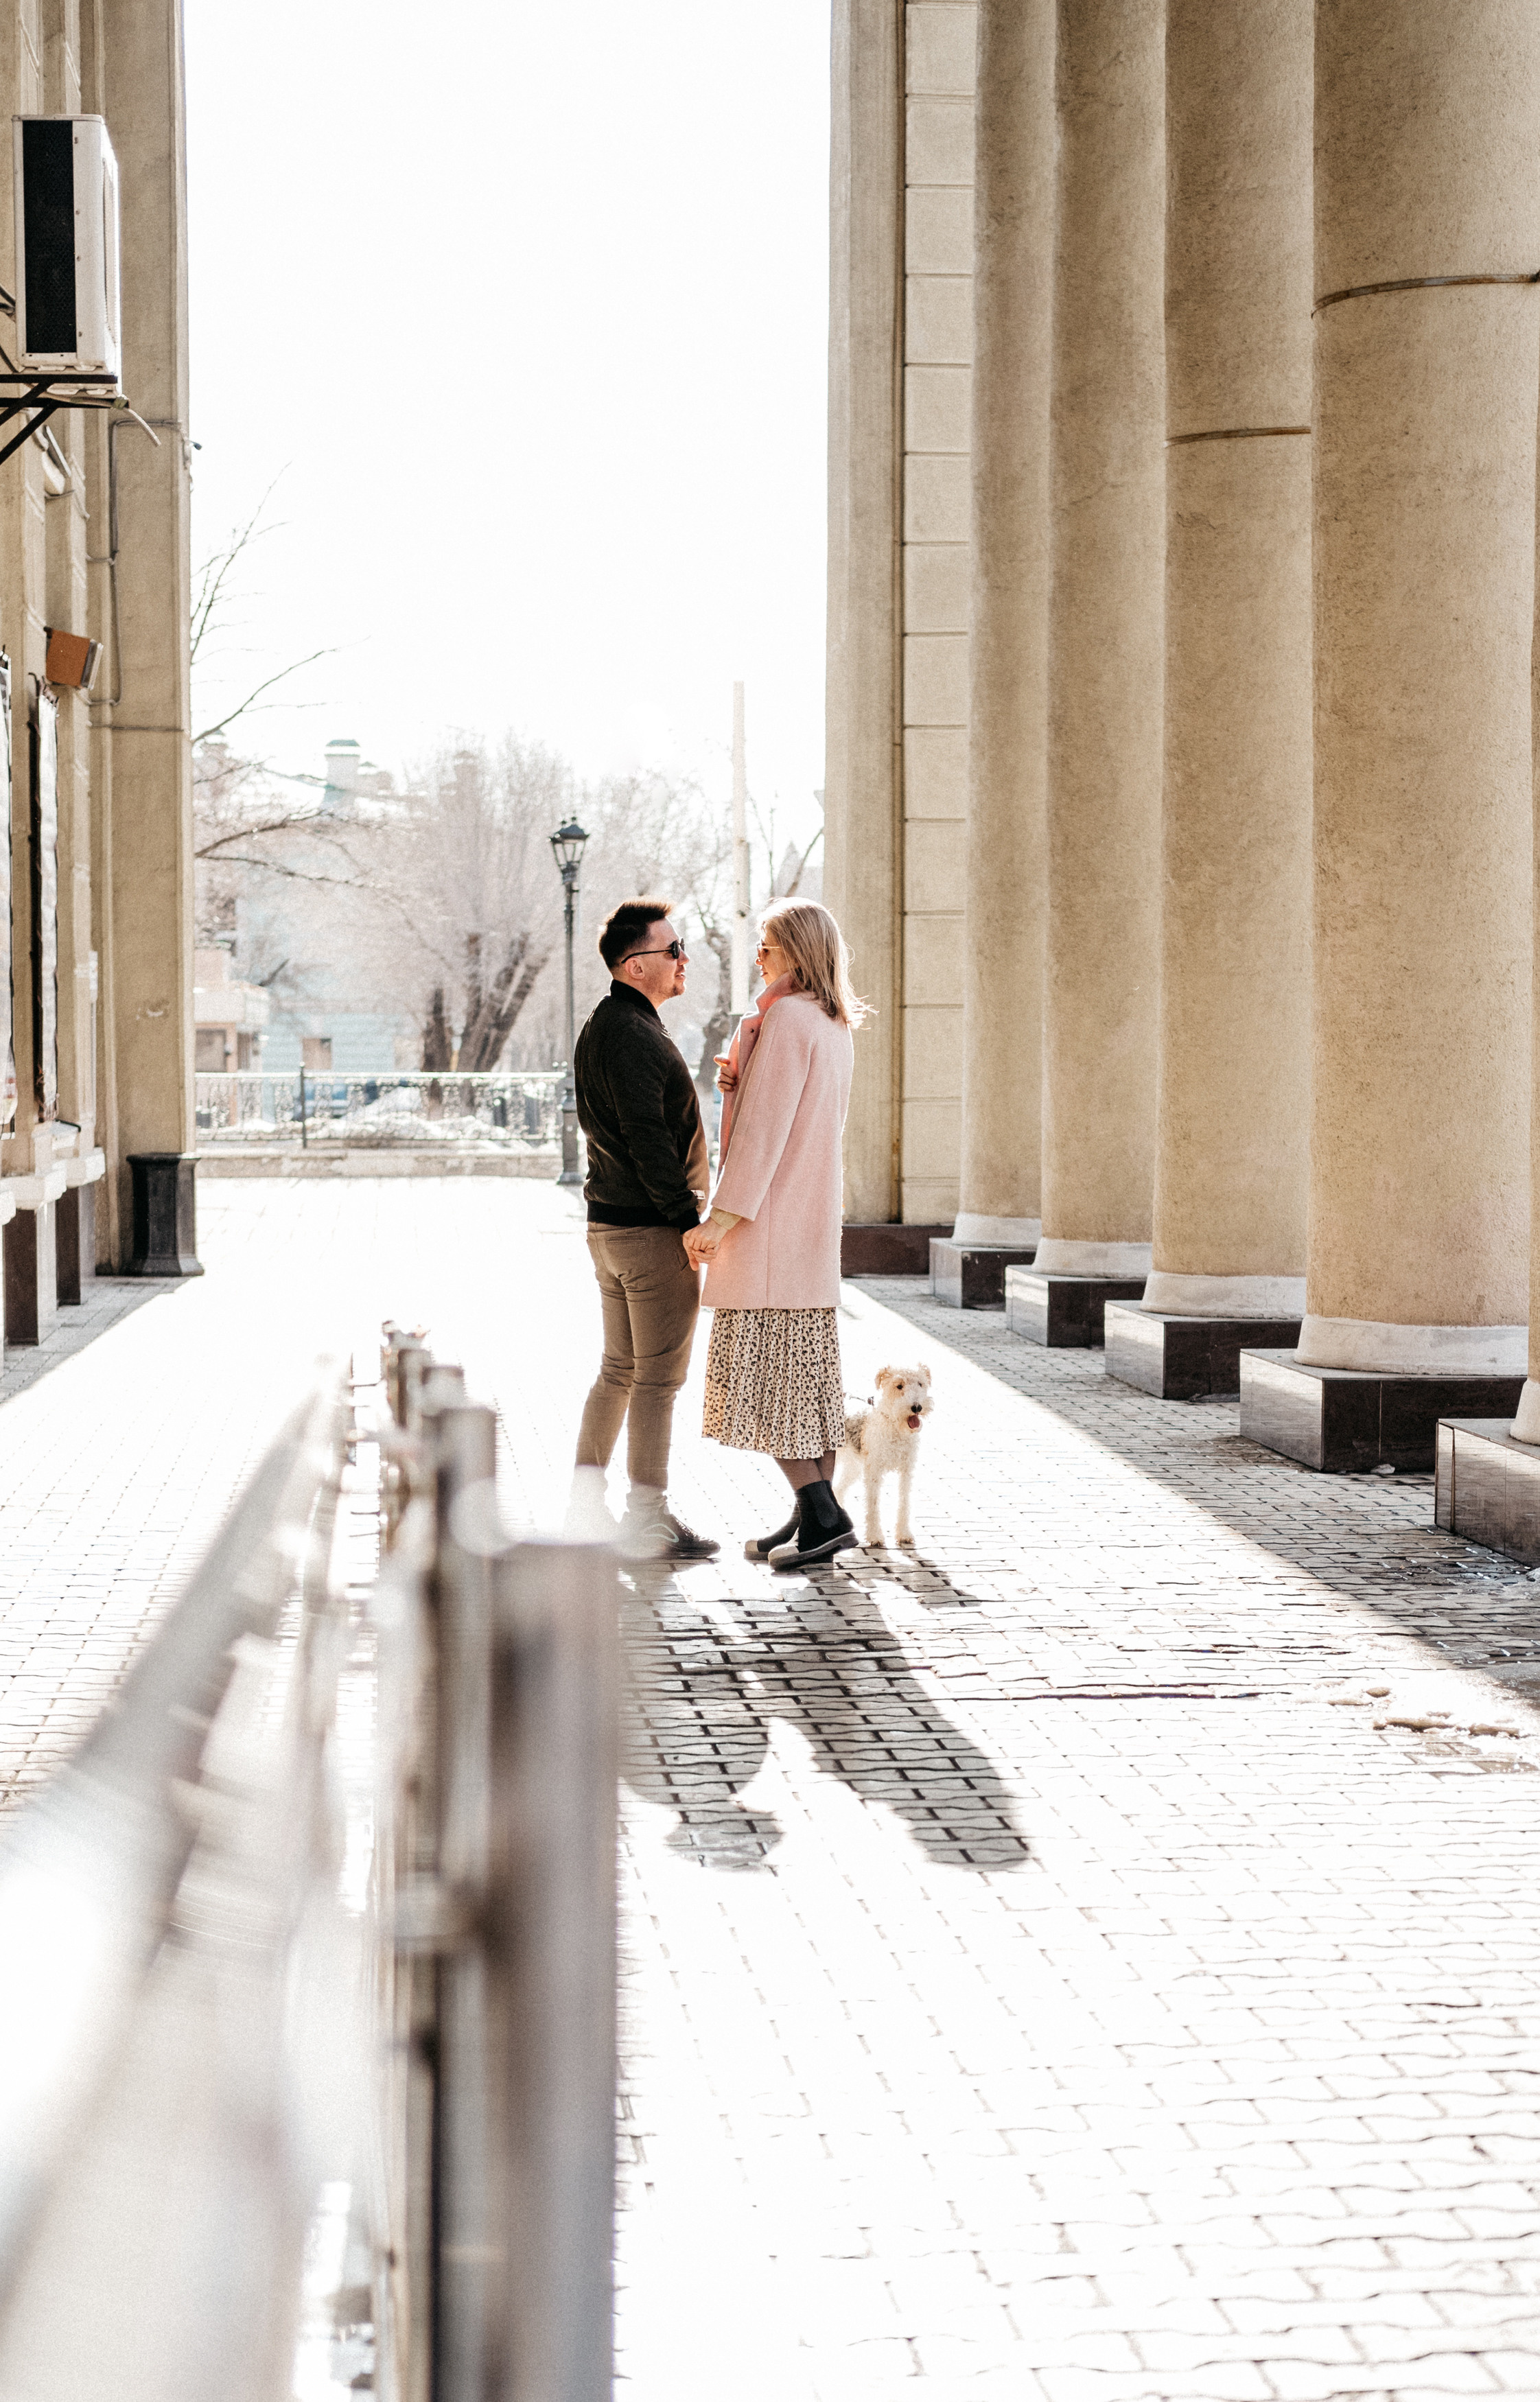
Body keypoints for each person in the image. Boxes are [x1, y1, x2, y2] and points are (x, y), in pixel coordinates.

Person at [684, 898, 865, 1568]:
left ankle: (823, 1516)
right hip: (808, 1230)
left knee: (768, 1389)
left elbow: (764, 1135)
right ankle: (811, 1514)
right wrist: (738, 1083)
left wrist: (719, 1220)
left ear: (796, 950)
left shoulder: (787, 1018)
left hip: (770, 1230)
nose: (758, 956)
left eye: (767, 945)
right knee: (808, 1390)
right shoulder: (830, 1021)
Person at [572, 895, 719, 1562]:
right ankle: (646, 1520)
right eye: (673, 949)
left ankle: (585, 1509)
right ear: (636, 966)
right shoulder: (631, 1033)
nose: (684, 959)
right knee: (656, 1382)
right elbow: (647, 1138)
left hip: (612, 1227)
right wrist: (687, 1223)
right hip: (650, 1233)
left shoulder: (609, 1024)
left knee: (620, 1372)